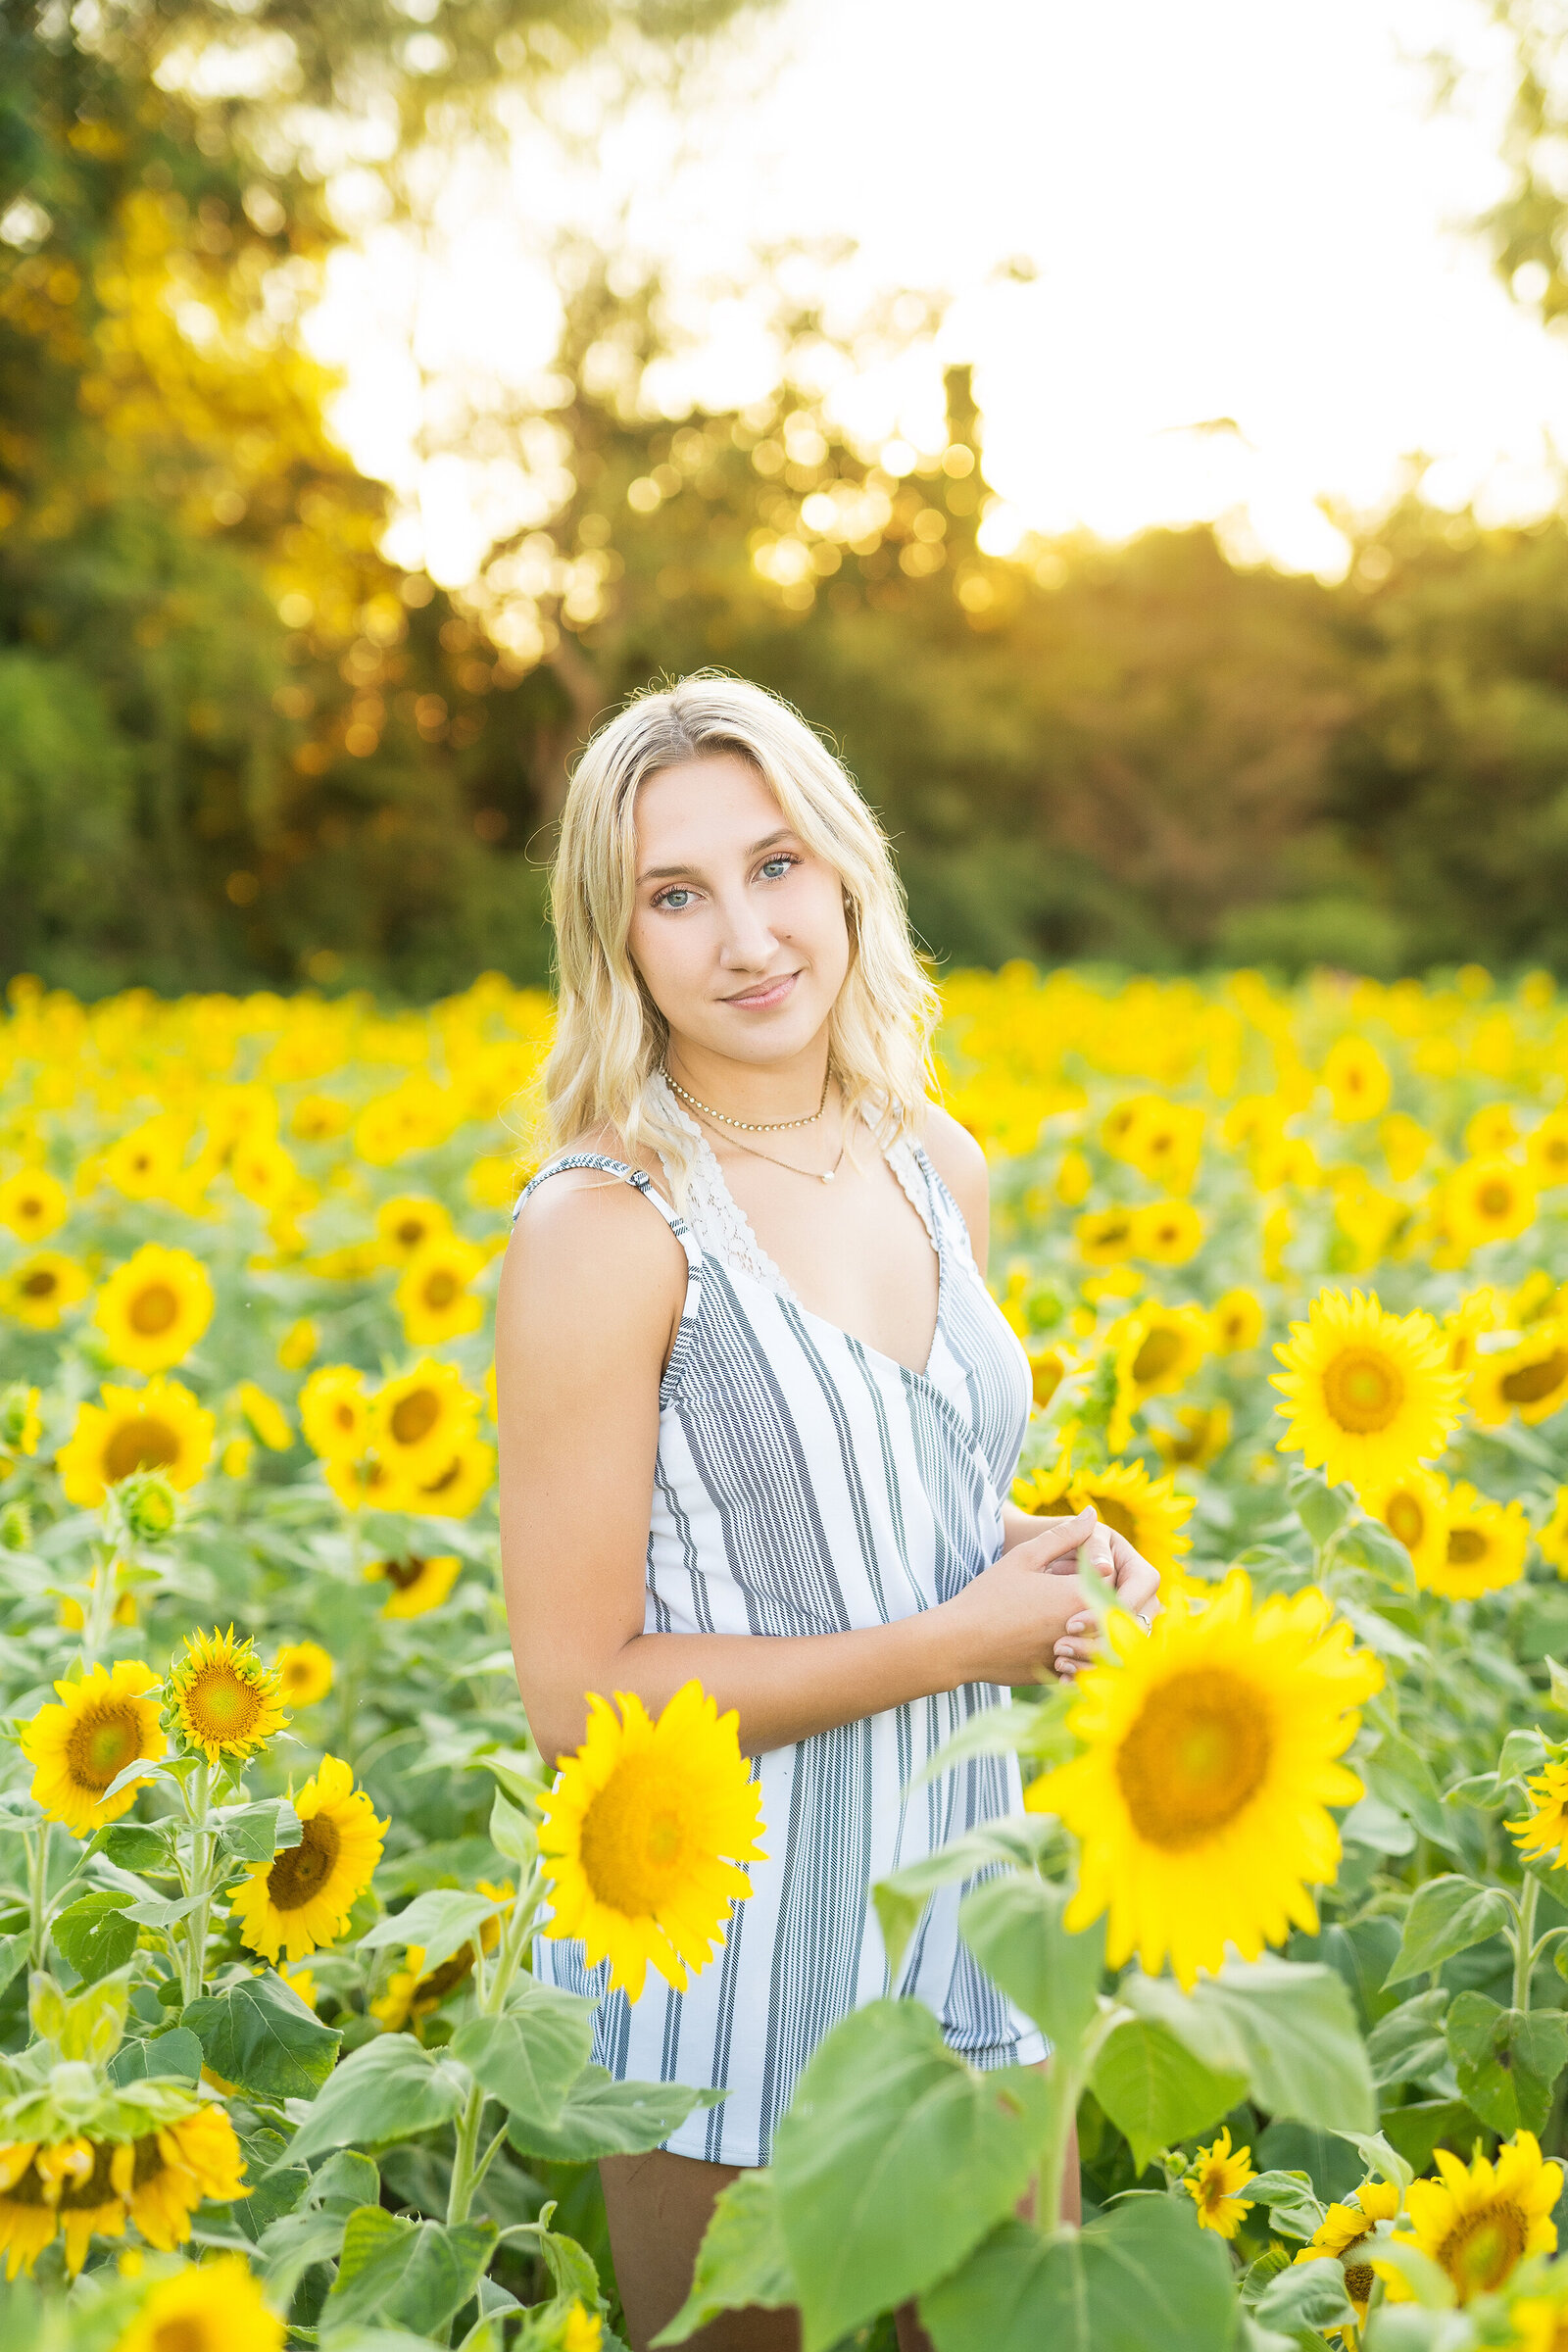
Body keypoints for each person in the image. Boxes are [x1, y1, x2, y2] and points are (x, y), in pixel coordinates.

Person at [495, 674, 1160, 2352]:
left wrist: (1048, 1561)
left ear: (847, 869)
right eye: (677, 894)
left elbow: (896, 1501)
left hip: (980, 1916)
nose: (746, 935)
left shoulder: (936, 1160)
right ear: (617, 939)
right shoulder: (606, 1228)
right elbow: (580, 1695)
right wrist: (956, 1640)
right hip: (730, 1966)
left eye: (776, 863)